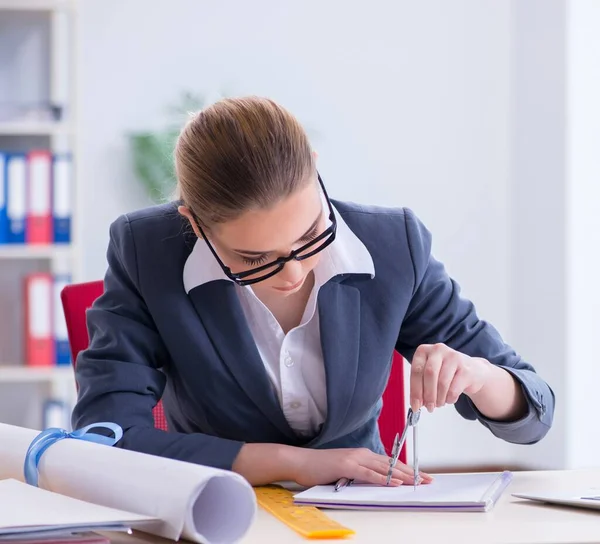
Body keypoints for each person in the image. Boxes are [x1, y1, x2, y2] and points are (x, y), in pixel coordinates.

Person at [72, 96, 554, 488]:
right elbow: (106, 438)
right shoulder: (146, 252)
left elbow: (535, 414)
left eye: (310, 236)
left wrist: (479, 376)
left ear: (317, 172)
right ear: (195, 225)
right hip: (219, 512)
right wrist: (289, 463)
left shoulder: (392, 245)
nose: (294, 273)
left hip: (365, 521)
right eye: (255, 259)